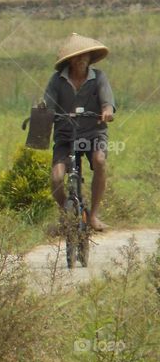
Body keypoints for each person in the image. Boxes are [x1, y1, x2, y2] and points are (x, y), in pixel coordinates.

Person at [42, 33, 115, 231]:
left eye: (85, 56)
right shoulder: (57, 81)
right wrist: (42, 112)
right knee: (56, 178)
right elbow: (47, 104)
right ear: (70, 60)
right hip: (66, 135)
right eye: (77, 56)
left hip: (93, 132)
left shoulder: (98, 77)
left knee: (100, 161)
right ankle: (68, 212)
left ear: (90, 58)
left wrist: (107, 111)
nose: (82, 59)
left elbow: (108, 102)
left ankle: (93, 215)